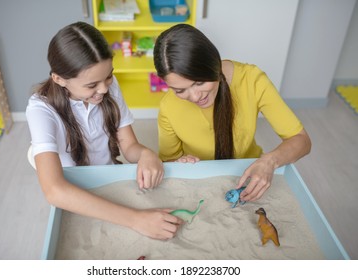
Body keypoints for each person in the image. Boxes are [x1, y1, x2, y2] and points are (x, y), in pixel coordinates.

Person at [26, 22, 182, 240]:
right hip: (75, 193)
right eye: (91, 85)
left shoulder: (106, 85)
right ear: (59, 79)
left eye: (109, 76)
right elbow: (54, 190)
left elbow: (128, 146)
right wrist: (136, 219)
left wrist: (146, 154)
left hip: (107, 176)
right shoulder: (41, 109)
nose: (104, 89)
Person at [153, 24, 311, 203]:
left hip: (251, 173)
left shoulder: (252, 80)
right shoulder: (168, 106)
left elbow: (301, 140)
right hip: (200, 183)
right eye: (180, 90)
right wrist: (180, 163)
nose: (196, 96)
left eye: (199, 83)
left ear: (212, 63)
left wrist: (269, 161)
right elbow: (169, 161)